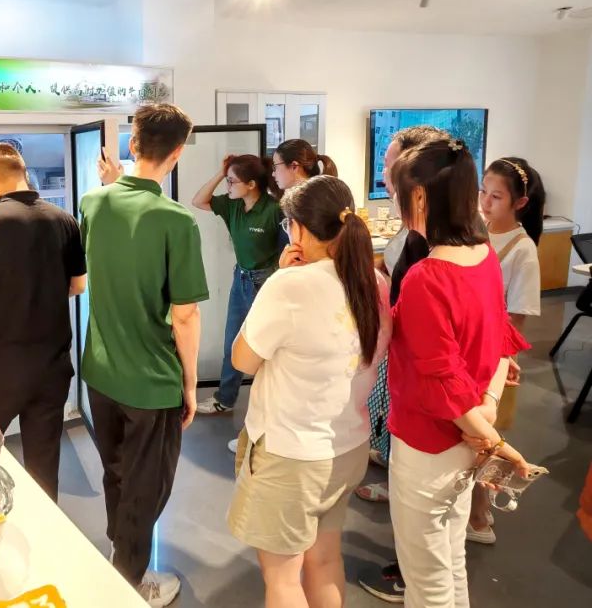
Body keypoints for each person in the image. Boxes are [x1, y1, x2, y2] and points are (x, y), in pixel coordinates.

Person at [227, 175, 391, 608]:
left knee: (282, 579)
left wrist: (278, 279)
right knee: (325, 559)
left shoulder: (290, 286)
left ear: (299, 229)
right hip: (348, 447)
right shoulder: (375, 283)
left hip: (293, 456)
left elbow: (243, 360)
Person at [386, 137, 531, 608]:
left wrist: (491, 438)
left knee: (426, 581)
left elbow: (440, 378)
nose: (393, 199)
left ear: (419, 196)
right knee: (450, 561)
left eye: (397, 190)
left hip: (429, 441)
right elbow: (499, 341)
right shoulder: (483, 253)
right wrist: (486, 414)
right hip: (465, 437)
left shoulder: (427, 277)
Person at [80, 103, 208, 607]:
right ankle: (129, 584)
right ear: (177, 153)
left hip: (100, 372)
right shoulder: (176, 221)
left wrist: (113, 182)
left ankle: (120, 555)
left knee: (115, 472)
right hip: (151, 380)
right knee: (146, 487)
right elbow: (185, 316)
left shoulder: (93, 202)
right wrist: (191, 384)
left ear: (132, 145)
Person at [0, 142, 87, 500]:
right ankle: (45, 523)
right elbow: (78, 285)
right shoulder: (64, 220)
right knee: (44, 464)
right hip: (52, 367)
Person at [357, 125, 446, 604]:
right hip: (407, 380)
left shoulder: (438, 255)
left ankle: (410, 575)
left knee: (426, 516)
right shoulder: (417, 235)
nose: (385, 176)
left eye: (392, 166)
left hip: (424, 393)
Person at [466, 156, 544, 544]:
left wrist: (501, 360)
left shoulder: (522, 248)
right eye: (483, 192)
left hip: (492, 358)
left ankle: (480, 516)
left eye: (496, 197)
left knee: (485, 438)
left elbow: (517, 319)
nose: (485, 202)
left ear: (520, 203)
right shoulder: (476, 232)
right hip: (468, 349)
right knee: (470, 437)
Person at [190, 154, 281, 419]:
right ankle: (225, 399)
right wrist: (222, 173)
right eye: (227, 181)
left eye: (232, 181)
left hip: (266, 282)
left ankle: (271, 406)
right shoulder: (233, 206)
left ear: (251, 184)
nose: (227, 186)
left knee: (267, 347)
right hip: (241, 279)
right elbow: (198, 200)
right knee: (233, 342)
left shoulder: (274, 209)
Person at [271, 138, 338, 193]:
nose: (273, 174)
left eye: (275, 167)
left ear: (294, 166)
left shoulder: (306, 202)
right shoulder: (316, 196)